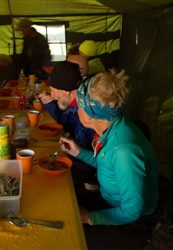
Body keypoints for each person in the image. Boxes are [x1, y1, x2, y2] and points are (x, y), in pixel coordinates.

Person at [59, 69, 159, 249]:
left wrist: (90, 218)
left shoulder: (124, 151)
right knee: (63, 209)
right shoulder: (113, 125)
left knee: (67, 237)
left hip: (131, 224)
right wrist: (79, 152)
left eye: (79, 105)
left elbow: (132, 211)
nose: (76, 108)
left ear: (90, 114)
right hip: (110, 203)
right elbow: (108, 165)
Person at [38, 60, 96, 185]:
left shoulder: (89, 111)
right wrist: (50, 105)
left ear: (67, 91)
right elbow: (69, 123)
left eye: (53, 90)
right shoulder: (78, 101)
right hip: (80, 160)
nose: (52, 95)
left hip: (90, 170)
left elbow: (95, 159)